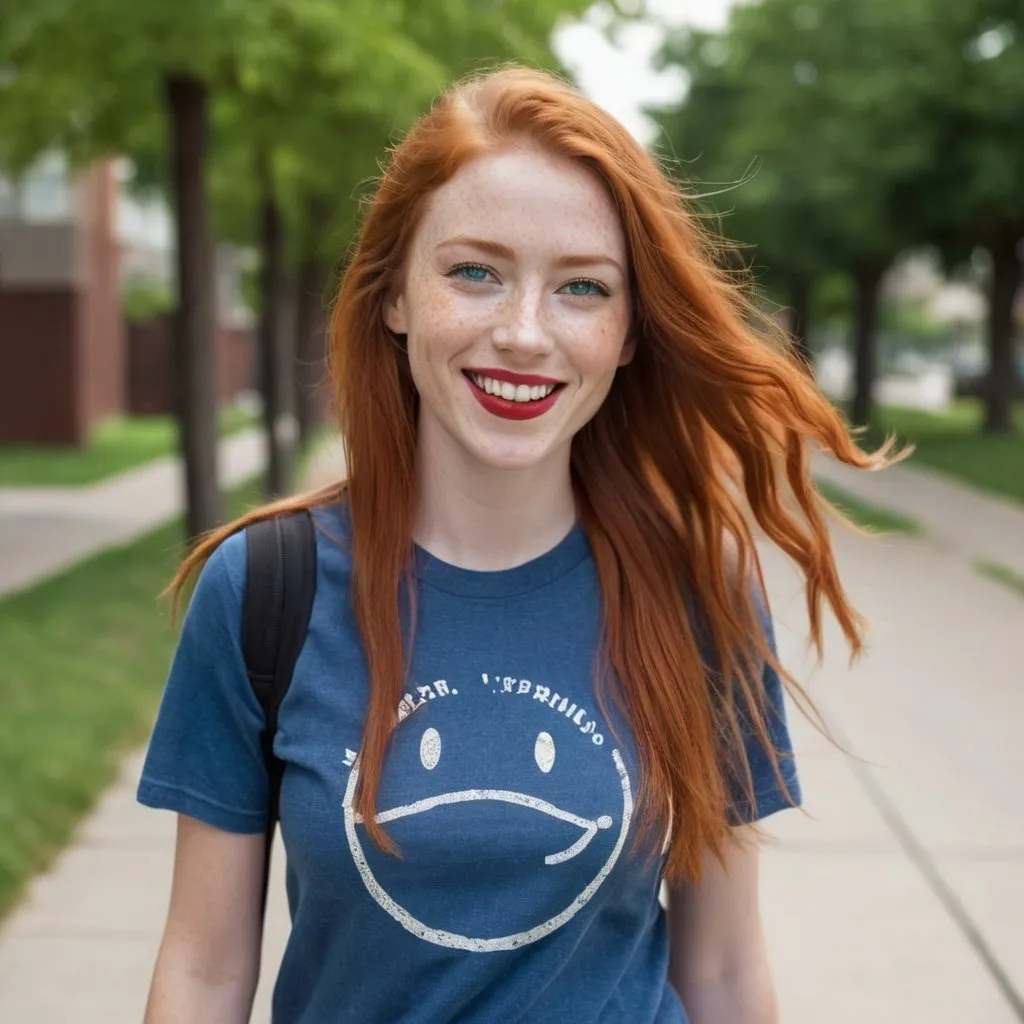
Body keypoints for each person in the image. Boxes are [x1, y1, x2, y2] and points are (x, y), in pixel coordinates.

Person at [137, 66, 894, 1023]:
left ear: (625, 333)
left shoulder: (698, 588)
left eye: (583, 287)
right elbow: (203, 972)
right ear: (394, 296)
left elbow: (726, 972)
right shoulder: (265, 591)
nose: (524, 333)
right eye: (475, 272)